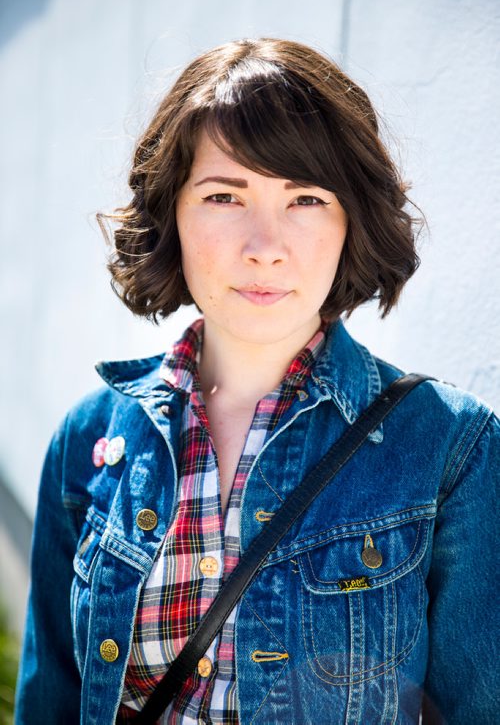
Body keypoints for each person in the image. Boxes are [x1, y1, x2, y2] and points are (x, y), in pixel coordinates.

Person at [15, 37, 498, 725]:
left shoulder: (452, 448)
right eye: (223, 195)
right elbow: (51, 704)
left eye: (304, 199)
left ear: (349, 220)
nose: (265, 244)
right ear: (172, 213)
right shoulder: (89, 440)